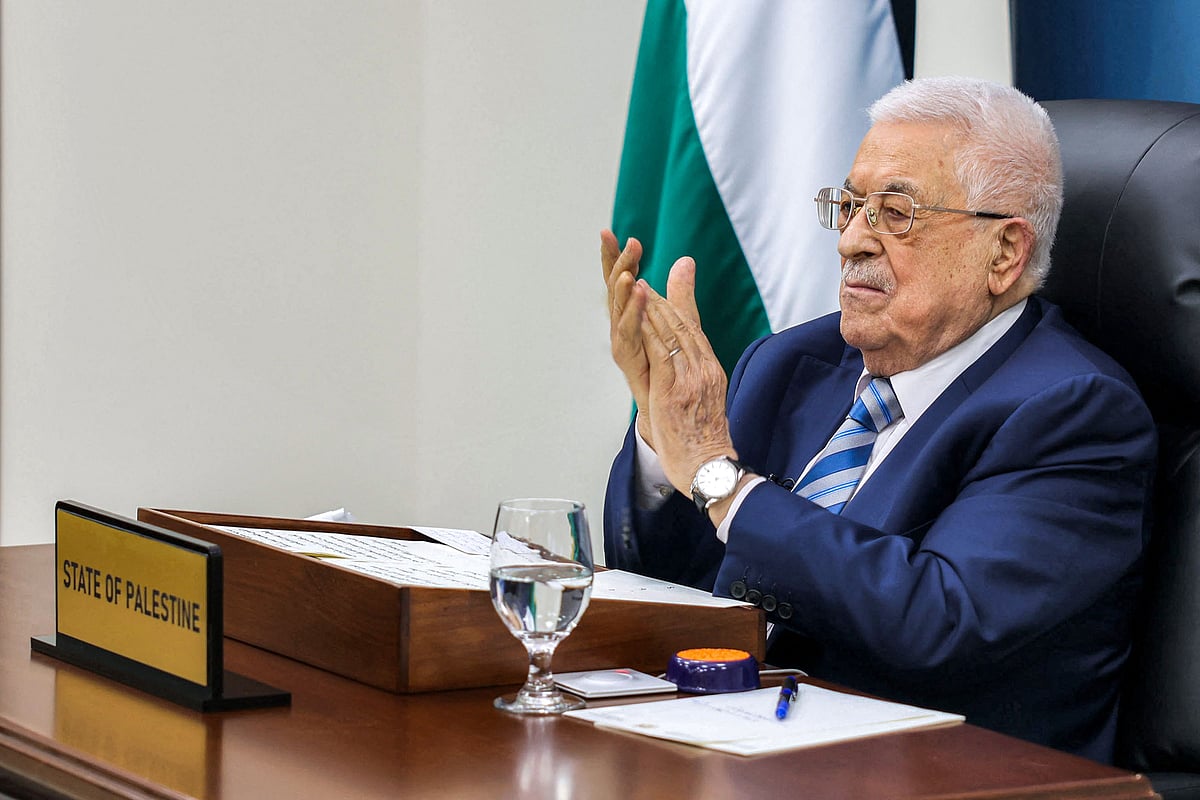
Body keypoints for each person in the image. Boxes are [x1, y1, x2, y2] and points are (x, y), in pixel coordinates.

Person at [599, 76, 1156, 763]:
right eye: (852, 206)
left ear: (1005, 254)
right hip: (738, 749)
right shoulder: (786, 364)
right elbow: (667, 584)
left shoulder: (1073, 412)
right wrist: (664, 438)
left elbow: (940, 623)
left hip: (943, 775)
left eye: (896, 213)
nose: (852, 241)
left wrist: (724, 482)